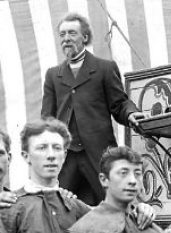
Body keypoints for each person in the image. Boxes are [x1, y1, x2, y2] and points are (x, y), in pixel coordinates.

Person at [41, 12, 145, 205]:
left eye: (72, 33)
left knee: (115, 205)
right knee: (57, 207)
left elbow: (119, 103)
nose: (66, 39)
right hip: (66, 156)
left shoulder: (104, 68)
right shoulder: (53, 75)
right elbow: (47, 118)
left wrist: (131, 114)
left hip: (99, 153)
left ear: (85, 37)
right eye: (62, 35)